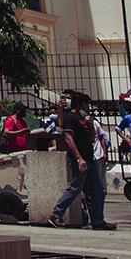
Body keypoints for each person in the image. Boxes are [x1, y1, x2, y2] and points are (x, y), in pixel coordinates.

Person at [47, 94, 113, 230]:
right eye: (86, 104)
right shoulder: (70, 118)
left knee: (97, 190)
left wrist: (90, 125)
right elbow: (68, 138)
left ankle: (98, 220)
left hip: (90, 159)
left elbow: (91, 138)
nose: (88, 107)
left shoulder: (83, 119)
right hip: (80, 159)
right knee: (75, 188)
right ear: (80, 104)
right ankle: (55, 215)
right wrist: (78, 158)